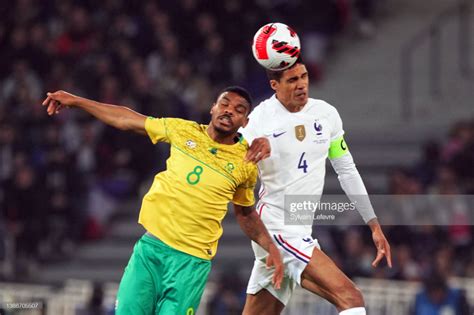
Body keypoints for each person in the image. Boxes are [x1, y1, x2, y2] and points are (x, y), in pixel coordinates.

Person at [41, 86, 283, 315]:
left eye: (239, 110)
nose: (229, 110)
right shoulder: (182, 130)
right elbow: (126, 119)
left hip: (190, 263)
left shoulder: (246, 162)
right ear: (213, 108)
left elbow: (245, 213)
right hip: (151, 249)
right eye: (225, 103)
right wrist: (78, 101)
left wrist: (271, 246)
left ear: (245, 122)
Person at [240, 60, 392, 315]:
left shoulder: (326, 114)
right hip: (276, 225)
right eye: (292, 80)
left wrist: (373, 223)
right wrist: (252, 153)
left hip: (299, 226)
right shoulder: (258, 120)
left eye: (304, 76)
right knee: (351, 298)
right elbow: (234, 166)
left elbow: (346, 169)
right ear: (274, 85)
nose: (301, 85)